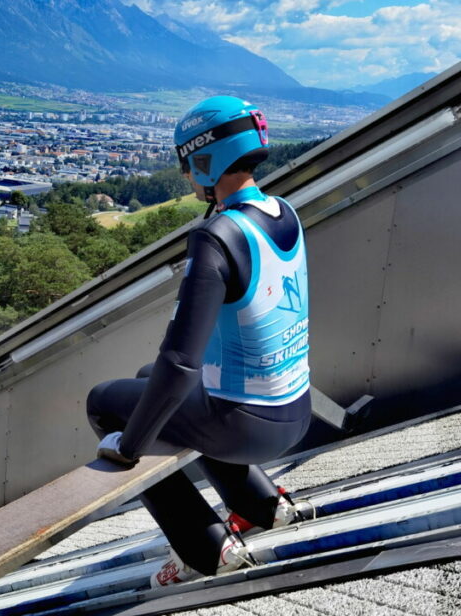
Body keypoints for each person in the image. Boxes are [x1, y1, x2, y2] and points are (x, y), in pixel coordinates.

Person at [87, 95, 312, 586]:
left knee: (107, 403)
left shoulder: (217, 237)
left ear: (205, 161)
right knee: (148, 383)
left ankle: (204, 549)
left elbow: (180, 362)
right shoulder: (284, 212)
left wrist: (130, 446)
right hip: (295, 411)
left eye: (188, 164)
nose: (188, 176)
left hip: (247, 427)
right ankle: (260, 506)